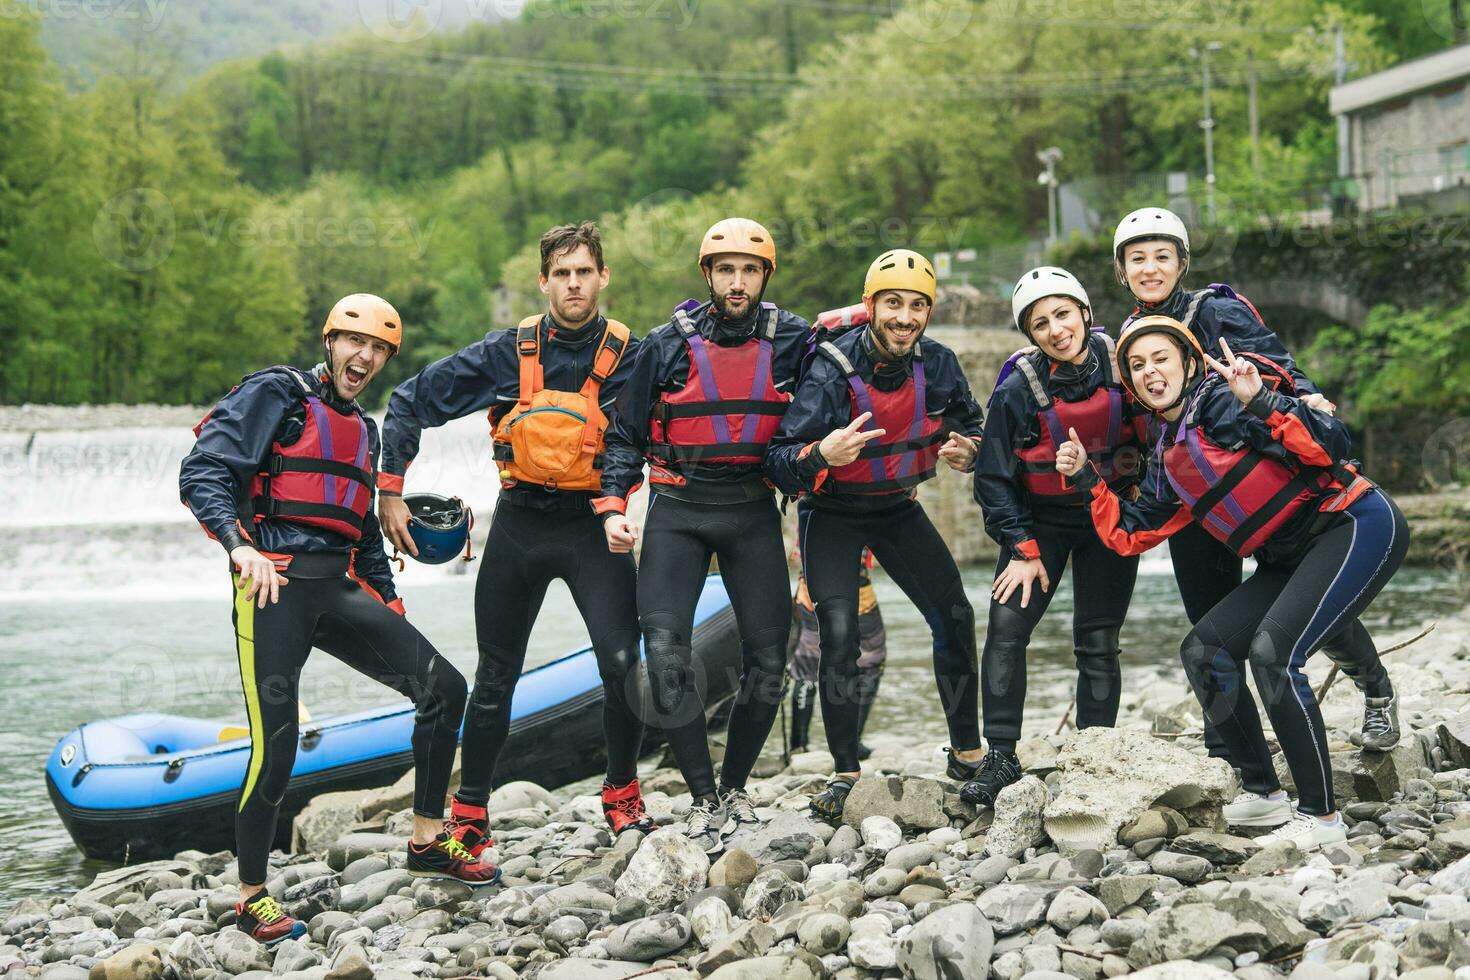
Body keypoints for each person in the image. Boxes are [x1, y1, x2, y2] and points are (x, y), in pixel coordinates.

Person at [180, 294, 488, 946]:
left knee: (443, 686)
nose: (365, 357)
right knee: (278, 745)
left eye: (378, 349)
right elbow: (203, 470)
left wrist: (390, 604)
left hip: (337, 589)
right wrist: (241, 549)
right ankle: (251, 896)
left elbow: (363, 532)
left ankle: (429, 838)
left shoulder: (365, 431)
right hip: (272, 587)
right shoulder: (278, 394)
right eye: (355, 342)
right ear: (330, 341)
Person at [1055, 315, 1406, 851]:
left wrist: (1263, 401)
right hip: (1289, 557)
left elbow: (1332, 445)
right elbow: (1132, 533)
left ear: (1189, 362)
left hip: (1354, 524)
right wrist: (1085, 478)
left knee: (1272, 654)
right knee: (1204, 648)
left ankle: (1322, 817)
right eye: (1138, 365)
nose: (1151, 372)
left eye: (1161, 359)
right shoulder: (1166, 456)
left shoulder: (1224, 401)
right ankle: (1264, 792)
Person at [378, 223, 655, 850]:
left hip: (595, 528)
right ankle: (471, 810)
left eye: (585, 271)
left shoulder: (632, 357)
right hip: (520, 527)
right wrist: (390, 487)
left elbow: (643, 438)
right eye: (562, 274)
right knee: (496, 674)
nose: (575, 283)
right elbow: (408, 400)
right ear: (544, 282)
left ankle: (621, 794)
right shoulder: (506, 352)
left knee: (621, 665)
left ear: (603, 278)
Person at [1111, 207, 1387, 746]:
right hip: (1191, 494)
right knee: (1212, 624)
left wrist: (1307, 400)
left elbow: (1278, 367)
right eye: (1137, 259)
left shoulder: (1214, 309)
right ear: (1122, 271)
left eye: (1162, 257)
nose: (1150, 268)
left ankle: (1374, 688)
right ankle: (1233, 744)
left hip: (1254, 476)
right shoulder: (1129, 335)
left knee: (1298, 593)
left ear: (1181, 262)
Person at [596, 218, 809, 852]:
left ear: (764, 276)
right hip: (677, 510)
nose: (737, 282)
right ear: (707, 275)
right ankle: (701, 798)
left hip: (752, 512)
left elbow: (846, 372)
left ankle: (736, 789)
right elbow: (626, 435)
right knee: (665, 657)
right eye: (726, 270)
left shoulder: (793, 338)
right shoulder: (665, 345)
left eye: (749, 270)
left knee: (770, 663)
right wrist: (613, 505)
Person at [765, 248, 986, 820]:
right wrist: (821, 452)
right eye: (893, 304)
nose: (904, 317)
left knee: (956, 616)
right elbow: (779, 459)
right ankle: (844, 774)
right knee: (839, 635)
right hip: (831, 513)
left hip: (895, 508)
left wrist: (972, 451)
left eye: (917, 306)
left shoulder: (937, 364)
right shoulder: (830, 370)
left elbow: (974, 427)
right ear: (870, 306)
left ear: (928, 313)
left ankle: (966, 754)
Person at [967, 267, 1148, 806]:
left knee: (1097, 642)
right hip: (1039, 523)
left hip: (1106, 517)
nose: (1055, 329)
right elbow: (993, 476)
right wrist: (1021, 548)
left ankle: (1094, 754)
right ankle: (1000, 756)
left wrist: (1142, 493)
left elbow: (1165, 432)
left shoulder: (1126, 363)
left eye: (1062, 314)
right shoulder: (1019, 386)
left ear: (1085, 313)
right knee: (1006, 627)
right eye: (1040, 323)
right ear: (1030, 333)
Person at [788, 549, 886, 758]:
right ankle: (852, 744)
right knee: (871, 660)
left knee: (806, 665)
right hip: (856, 588)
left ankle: (799, 746)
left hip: (810, 589)